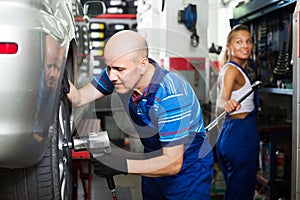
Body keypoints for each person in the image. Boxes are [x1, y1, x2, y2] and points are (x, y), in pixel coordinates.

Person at [67, 30, 214, 199]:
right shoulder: (120, 75)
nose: (111, 76)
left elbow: (173, 163)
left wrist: (121, 165)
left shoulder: (171, 96)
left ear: (142, 65)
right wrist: (58, 76)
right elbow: (79, 98)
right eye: (108, 67)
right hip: (153, 161)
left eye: (119, 69)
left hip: (188, 171)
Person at [215, 24, 260, 200]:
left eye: (248, 41)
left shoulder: (232, 68)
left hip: (232, 133)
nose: (245, 46)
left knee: (237, 191)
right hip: (240, 135)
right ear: (229, 47)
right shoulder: (232, 70)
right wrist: (226, 103)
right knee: (240, 193)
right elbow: (220, 99)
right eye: (239, 42)